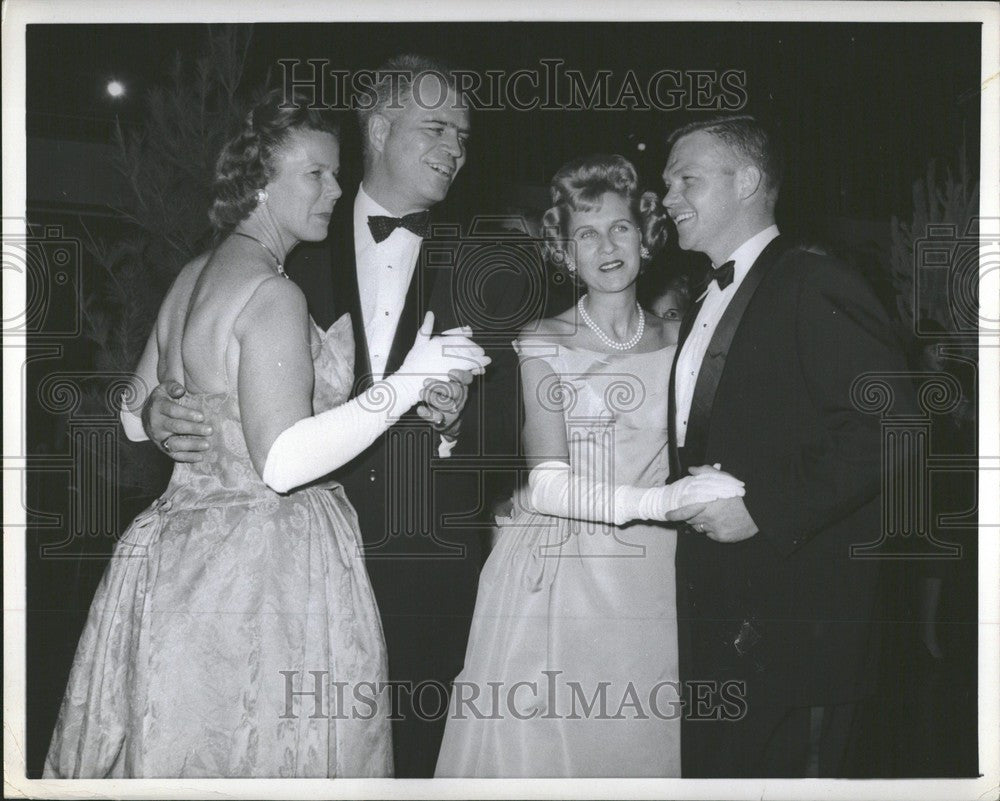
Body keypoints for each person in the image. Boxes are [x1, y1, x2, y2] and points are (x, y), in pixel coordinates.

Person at [44, 89, 488, 778]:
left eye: (336, 173)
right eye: (317, 173)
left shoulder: (195, 273)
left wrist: (159, 415)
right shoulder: (275, 292)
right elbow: (281, 461)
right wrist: (408, 380)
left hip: (175, 554)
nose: (338, 189)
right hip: (263, 566)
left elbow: (132, 411)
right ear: (258, 182)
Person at [434, 154, 746, 777]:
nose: (606, 246)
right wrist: (658, 503)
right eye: (586, 233)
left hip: (655, 570)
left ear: (646, 237)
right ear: (565, 251)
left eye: (621, 228)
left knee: (641, 741)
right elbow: (547, 485)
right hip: (560, 571)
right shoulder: (541, 340)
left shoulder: (684, 335)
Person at [660, 114, 914, 777]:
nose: (666, 198)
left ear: (747, 182)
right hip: (721, 618)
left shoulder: (812, 280)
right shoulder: (704, 299)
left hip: (799, 631)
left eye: (686, 179)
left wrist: (763, 508)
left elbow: (893, 428)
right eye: (666, 183)